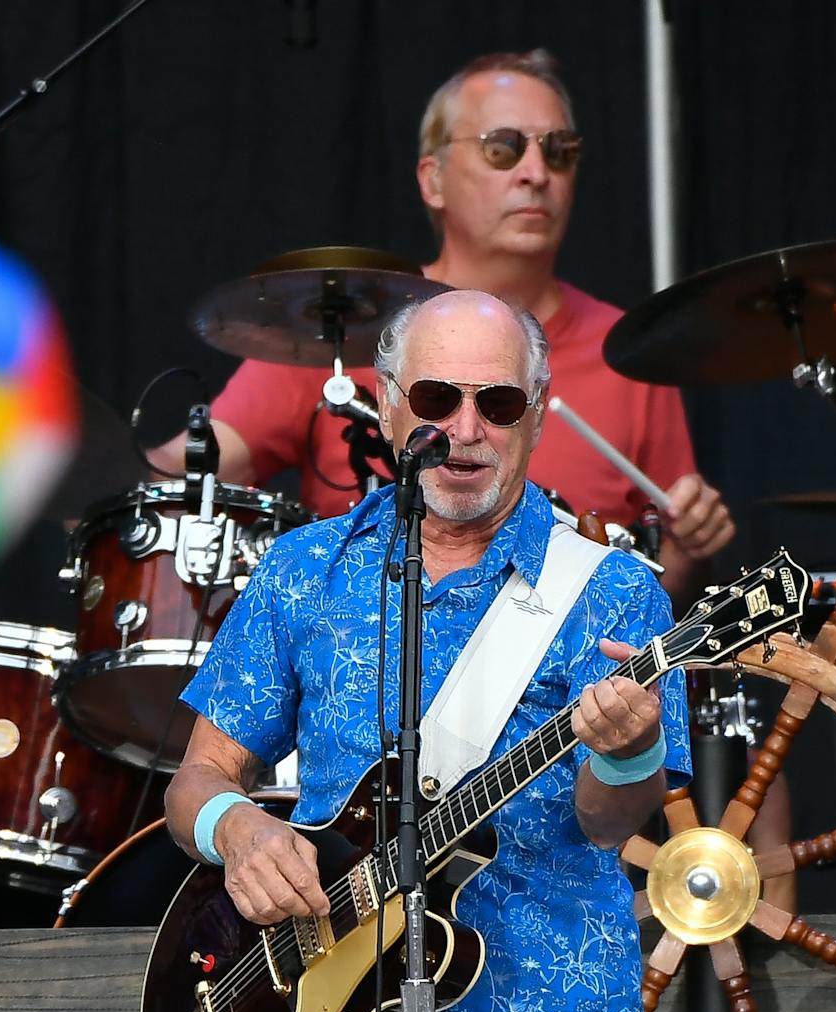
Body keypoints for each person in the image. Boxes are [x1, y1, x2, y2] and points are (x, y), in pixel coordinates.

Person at [165, 289, 691, 1012]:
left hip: (539, 993)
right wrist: (239, 829)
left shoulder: (614, 592)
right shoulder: (303, 567)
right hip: (319, 1002)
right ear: (384, 402)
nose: (465, 428)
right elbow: (193, 782)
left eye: (496, 401)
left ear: (537, 412)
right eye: (439, 397)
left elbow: (604, 820)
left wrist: (625, 746)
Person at [151, 49, 733, 605]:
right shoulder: (343, 323)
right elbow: (179, 480)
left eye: (559, 151)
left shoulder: (627, 354)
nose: (537, 172)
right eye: (504, 148)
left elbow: (660, 595)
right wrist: (88, 465)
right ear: (432, 179)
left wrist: (690, 547)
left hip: (554, 698)